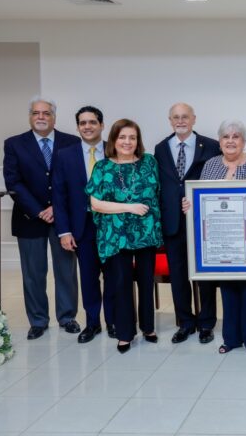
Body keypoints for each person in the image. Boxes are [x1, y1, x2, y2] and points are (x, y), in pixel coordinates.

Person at [193, 120, 246, 355]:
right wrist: (190, 203)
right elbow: (200, 198)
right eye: (226, 137)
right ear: (219, 142)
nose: (230, 141)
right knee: (227, 289)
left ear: (244, 142)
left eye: (236, 137)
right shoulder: (210, 166)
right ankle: (230, 339)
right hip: (220, 241)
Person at [3, 96, 81, 340]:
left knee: (65, 270)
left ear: (53, 117)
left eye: (46, 113)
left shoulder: (72, 142)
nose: (40, 117)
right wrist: (39, 210)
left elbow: (76, 180)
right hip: (29, 218)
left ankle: (67, 317)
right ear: (30, 116)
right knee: (33, 273)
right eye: (36, 113)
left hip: (63, 219)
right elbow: (13, 181)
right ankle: (38, 320)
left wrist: (57, 208)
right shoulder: (14, 144)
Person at [86, 119, 162, 353]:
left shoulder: (150, 162)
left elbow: (157, 194)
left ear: (138, 141)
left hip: (146, 233)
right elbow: (96, 204)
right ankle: (125, 333)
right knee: (121, 283)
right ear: (113, 140)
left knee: (146, 281)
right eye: (122, 137)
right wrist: (129, 207)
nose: (127, 142)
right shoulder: (102, 167)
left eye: (132, 137)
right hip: (115, 235)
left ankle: (148, 327)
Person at [154, 103, 220, 345]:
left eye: (185, 117)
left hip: (202, 222)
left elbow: (228, 166)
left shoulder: (211, 145)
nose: (180, 121)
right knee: (179, 275)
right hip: (172, 222)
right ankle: (185, 322)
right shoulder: (161, 148)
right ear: (170, 120)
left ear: (194, 119)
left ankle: (206, 323)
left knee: (205, 276)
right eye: (175, 117)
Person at [52, 106, 116, 343]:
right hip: (82, 227)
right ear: (78, 126)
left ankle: (112, 321)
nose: (87, 127)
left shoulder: (115, 149)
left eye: (92, 122)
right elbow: (59, 196)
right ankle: (92, 323)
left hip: (112, 225)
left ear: (101, 124)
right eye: (82, 123)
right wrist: (64, 231)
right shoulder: (65, 155)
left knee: (112, 276)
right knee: (88, 277)